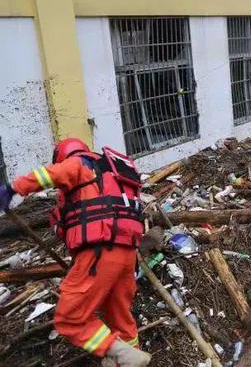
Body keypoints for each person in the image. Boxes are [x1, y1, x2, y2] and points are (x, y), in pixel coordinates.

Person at [0, 139, 150, 367]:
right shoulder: (109, 174)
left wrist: (13, 189)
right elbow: (72, 223)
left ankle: (123, 355)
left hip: (100, 253)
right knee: (120, 317)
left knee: (69, 319)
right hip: (127, 255)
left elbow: (47, 175)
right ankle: (129, 356)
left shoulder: (78, 164)